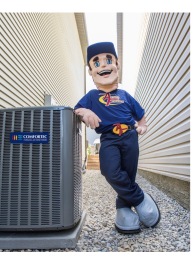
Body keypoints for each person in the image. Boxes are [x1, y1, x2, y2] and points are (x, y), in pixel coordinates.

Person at [74, 41, 159, 234]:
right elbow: (76, 108)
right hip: (109, 138)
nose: (103, 65)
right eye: (96, 63)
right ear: (90, 71)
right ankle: (140, 198)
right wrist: (84, 111)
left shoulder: (125, 95)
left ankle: (123, 210)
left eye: (108, 60)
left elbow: (140, 113)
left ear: (117, 65)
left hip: (129, 135)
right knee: (110, 170)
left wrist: (143, 125)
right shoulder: (92, 96)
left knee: (128, 174)